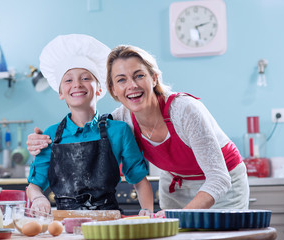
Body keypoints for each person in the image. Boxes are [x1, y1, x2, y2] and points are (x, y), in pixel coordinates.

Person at [27, 44, 249, 215]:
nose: (131, 85)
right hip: (175, 185)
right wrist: (38, 142)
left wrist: (181, 217)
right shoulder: (119, 121)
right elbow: (89, 130)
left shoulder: (184, 110)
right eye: (121, 80)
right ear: (113, 89)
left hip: (222, 183)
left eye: (139, 75)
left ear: (153, 78)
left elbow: (219, 178)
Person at [26, 35, 153, 215]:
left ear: (100, 88)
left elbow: (140, 181)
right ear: (61, 92)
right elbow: (34, 186)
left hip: (109, 224)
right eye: (68, 80)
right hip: (65, 226)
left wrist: (147, 211)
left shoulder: (119, 131)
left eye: (85, 78)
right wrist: (38, 198)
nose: (77, 84)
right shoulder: (51, 135)